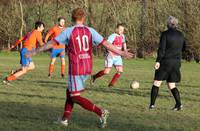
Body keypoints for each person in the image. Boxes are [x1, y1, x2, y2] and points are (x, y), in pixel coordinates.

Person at [26, 8, 133, 128]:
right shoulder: (90, 30)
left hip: (76, 68)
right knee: (70, 92)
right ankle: (64, 119)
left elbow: (52, 43)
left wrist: (35, 51)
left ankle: (101, 112)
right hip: (87, 67)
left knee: (75, 96)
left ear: (72, 19)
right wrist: (122, 52)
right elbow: (106, 44)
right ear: (83, 19)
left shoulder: (69, 31)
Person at [149, 16, 186, 111]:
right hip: (176, 63)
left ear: (169, 24)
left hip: (165, 62)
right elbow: (184, 48)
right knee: (171, 85)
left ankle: (152, 105)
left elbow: (162, 49)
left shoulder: (165, 34)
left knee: (156, 83)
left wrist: (158, 61)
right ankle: (179, 105)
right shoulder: (181, 35)